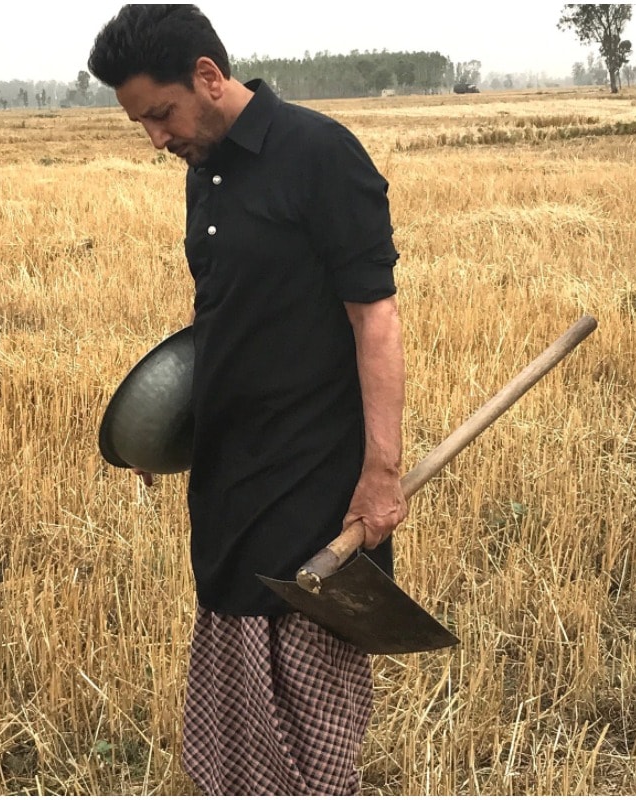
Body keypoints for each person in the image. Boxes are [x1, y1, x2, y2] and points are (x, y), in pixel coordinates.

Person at [89, 5, 408, 795]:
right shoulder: (208, 171)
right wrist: (169, 430)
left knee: (306, 686)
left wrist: (381, 475)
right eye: (141, 125)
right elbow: (222, 320)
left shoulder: (319, 154)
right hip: (230, 476)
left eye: (160, 114)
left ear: (207, 76)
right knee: (233, 669)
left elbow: (375, 319)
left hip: (316, 475)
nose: (156, 140)